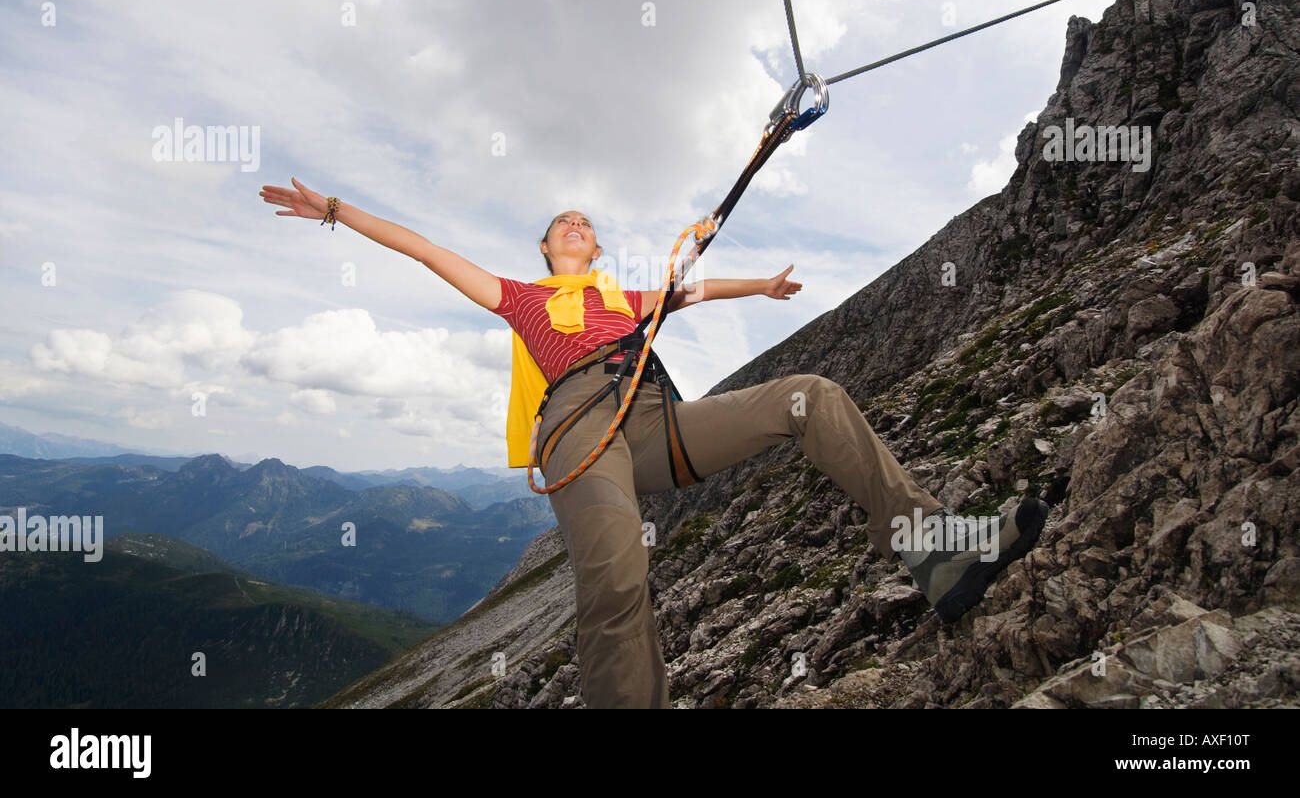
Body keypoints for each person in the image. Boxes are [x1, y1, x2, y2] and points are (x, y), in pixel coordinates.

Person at [260, 178, 1049, 709]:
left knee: (812, 395)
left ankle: (940, 549)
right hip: (577, 433)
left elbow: (693, 290)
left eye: (586, 223)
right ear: (544, 249)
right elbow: (427, 250)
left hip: (651, 419)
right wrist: (335, 208)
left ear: (595, 251)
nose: (578, 224)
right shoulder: (523, 297)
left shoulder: (622, 296)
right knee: (616, 576)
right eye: (562, 223)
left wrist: (763, 287)